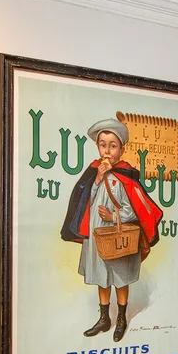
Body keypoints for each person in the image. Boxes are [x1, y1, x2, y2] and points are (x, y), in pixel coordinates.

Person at [60, 117, 164, 342]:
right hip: (98, 236)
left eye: (113, 145)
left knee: (120, 278)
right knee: (102, 278)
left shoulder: (127, 175)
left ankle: (122, 318)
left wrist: (114, 216)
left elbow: (135, 209)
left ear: (122, 150)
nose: (107, 150)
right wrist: (98, 178)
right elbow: (84, 200)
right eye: (103, 144)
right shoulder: (94, 172)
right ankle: (104, 318)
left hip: (120, 237)